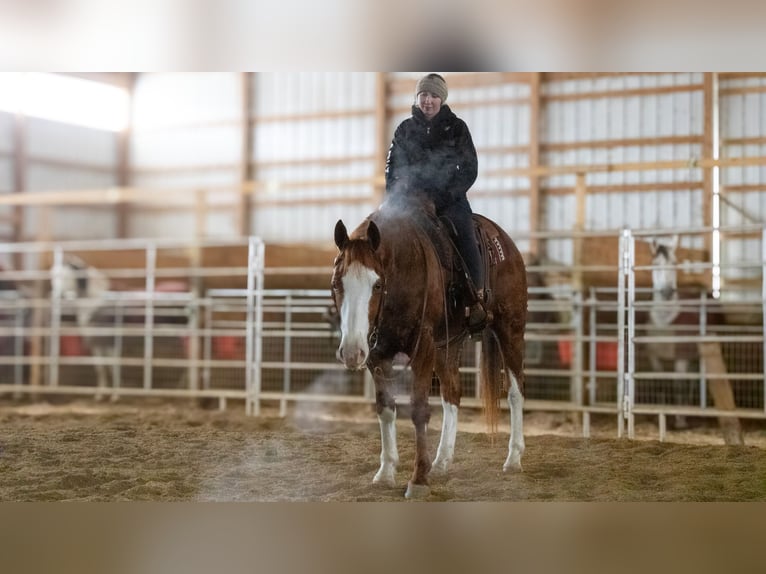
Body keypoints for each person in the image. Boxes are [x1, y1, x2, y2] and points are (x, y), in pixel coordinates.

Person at [384, 73, 487, 330]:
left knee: (463, 231)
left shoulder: (457, 128)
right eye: (423, 95)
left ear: (442, 99)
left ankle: (475, 297)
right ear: (417, 97)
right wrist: (397, 196)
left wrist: (443, 197)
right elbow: (392, 168)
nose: (428, 100)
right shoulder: (404, 130)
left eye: (433, 95)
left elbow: (469, 168)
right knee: (384, 230)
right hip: (411, 201)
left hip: (449, 199)